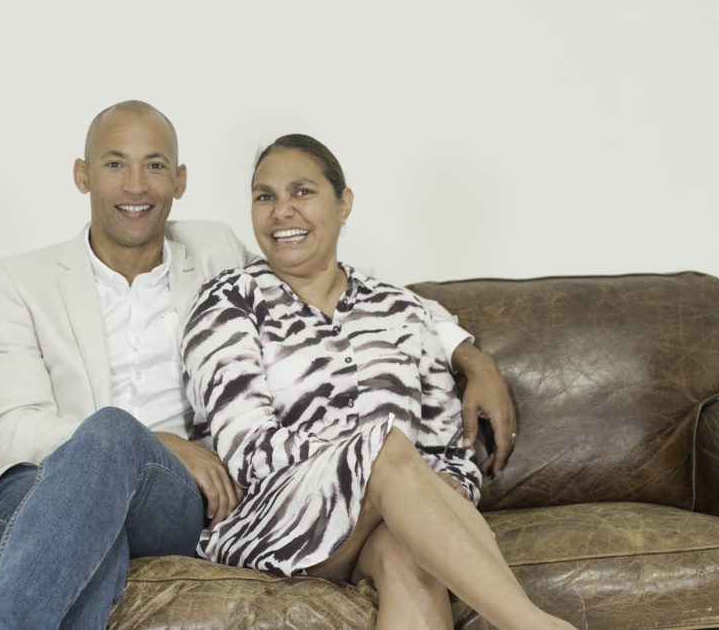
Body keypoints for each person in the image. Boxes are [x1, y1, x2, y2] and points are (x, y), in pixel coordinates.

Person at [0, 101, 517, 628]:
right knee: (103, 478)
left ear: (179, 181)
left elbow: (352, 288)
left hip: (173, 496)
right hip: (39, 480)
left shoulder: (214, 254)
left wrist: (469, 355)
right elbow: (10, 428)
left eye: (155, 165)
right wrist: (148, 440)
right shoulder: (17, 280)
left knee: (101, 527)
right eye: (115, 164)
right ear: (83, 175)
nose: (136, 185)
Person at [182, 134, 572, 629]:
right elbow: (247, 450)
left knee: (408, 553)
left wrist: (437, 489)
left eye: (302, 191)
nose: (281, 211)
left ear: (343, 203)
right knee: (387, 448)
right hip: (277, 519)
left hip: (382, 520)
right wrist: (373, 464)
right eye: (265, 196)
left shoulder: (402, 310)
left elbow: (450, 449)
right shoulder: (229, 300)